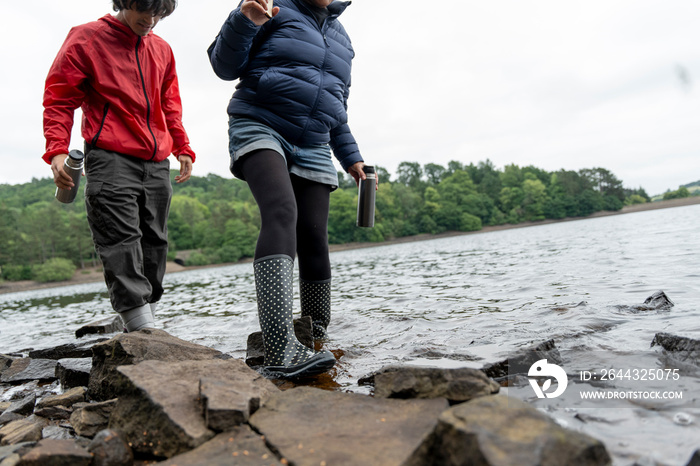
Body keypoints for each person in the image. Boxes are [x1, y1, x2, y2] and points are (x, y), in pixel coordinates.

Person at [208, 0, 374, 378]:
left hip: (314, 142)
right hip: (260, 123)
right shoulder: (269, 6)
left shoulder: (342, 40)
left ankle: (314, 337)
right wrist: (245, 19)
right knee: (282, 212)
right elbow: (223, 66)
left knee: (315, 235)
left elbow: (335, 107)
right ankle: (281, 348)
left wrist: (352, 157)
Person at [43, 0, 195, 332]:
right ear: (124, 2)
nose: (152, 20)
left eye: (160, 14)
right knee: (120, 238)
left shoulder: (163, 50)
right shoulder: (86, 39)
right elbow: (59, 97)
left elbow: (169, 103)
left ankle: (141, 317)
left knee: (155, 241)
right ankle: (140, 323)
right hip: (109, 156)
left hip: (157, 161)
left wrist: (182, 146)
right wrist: (56, 150)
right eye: (145, 10)